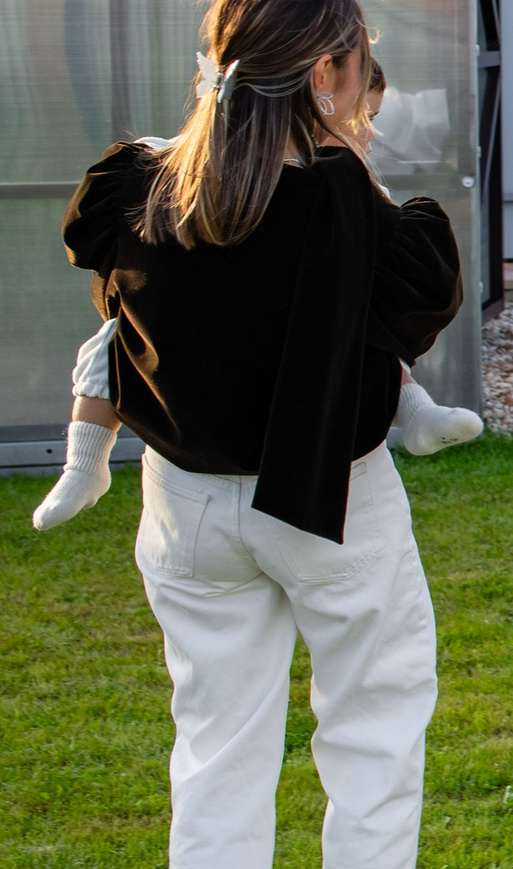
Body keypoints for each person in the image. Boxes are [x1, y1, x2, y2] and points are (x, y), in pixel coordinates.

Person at [60, 0, 480, 869]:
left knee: (214, 759)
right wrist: (345, 154)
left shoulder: (136, 185)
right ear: (335, 72)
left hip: (187, 511)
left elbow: (104, 268)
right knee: (374, 739)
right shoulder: (348, 201)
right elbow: (418, 300)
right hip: (330, 503)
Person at [33, 61, 481, 531]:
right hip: (184, 344)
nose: (370, 137)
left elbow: (393, 286)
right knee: (115, 339)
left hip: (252, 391)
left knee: (356, 326)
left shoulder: (344, 191)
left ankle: (415, 411)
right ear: (318, 98)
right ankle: (84, 463)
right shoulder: (165, 169)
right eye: (361, 121)